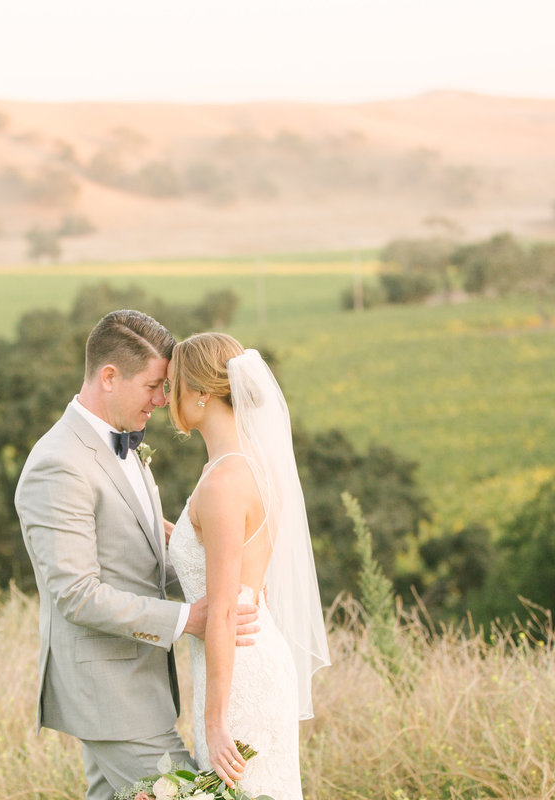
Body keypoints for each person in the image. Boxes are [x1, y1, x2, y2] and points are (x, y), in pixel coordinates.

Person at [15, 310, 259, 800]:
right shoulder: (58, 464)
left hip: (139, 683)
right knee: (196, 794)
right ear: (109, 376)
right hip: (110, 692)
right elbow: (76, 595)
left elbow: (142, 554)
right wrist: (187, 618)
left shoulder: (123, 446)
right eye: (153, 385)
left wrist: (213, 566)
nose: (162, 400)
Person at [167, 332, 331, 799]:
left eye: (173, 384)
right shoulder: (246, 464)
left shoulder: (223, 482)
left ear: (200, 394)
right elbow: (209, 548)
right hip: (245, 658)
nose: (166, 397)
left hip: (238, 677)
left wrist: (216, 722)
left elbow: (220, 611)